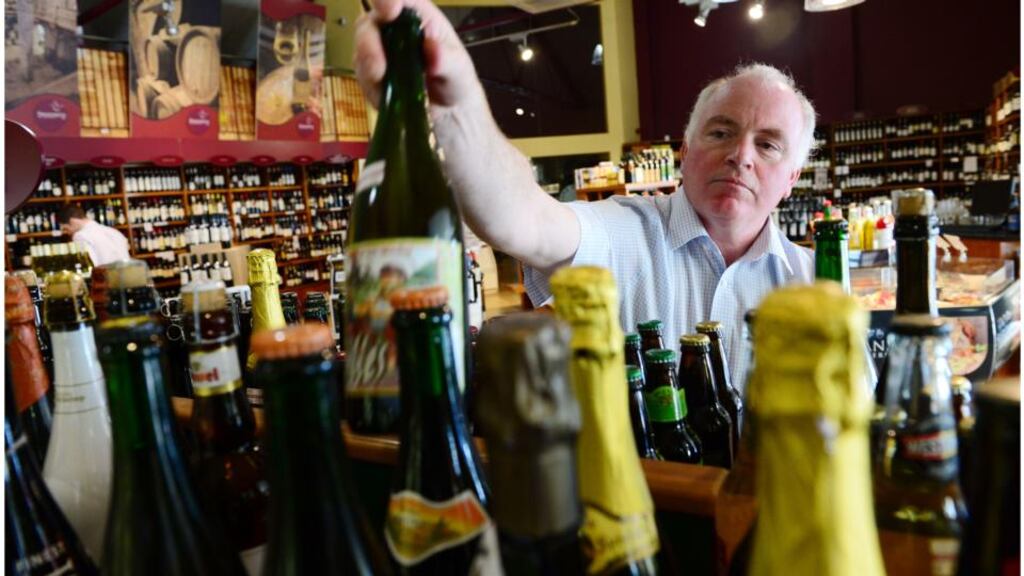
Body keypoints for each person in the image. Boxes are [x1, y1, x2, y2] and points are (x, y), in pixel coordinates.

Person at [354, 0, 815, 390]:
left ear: (792, 176)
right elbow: (522, 220)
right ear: (685, 151)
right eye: (721, 132)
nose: (741, 155)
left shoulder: (814, 282)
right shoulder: (627, 230)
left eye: (768, 144)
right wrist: (454, 104)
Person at [58, 204, 131, 267]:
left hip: (105, 281)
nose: (68, 233)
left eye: (66, 228)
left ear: (73, 221)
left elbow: (90, 266)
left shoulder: (80, 236)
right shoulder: (113, 231)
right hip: (129, 280)